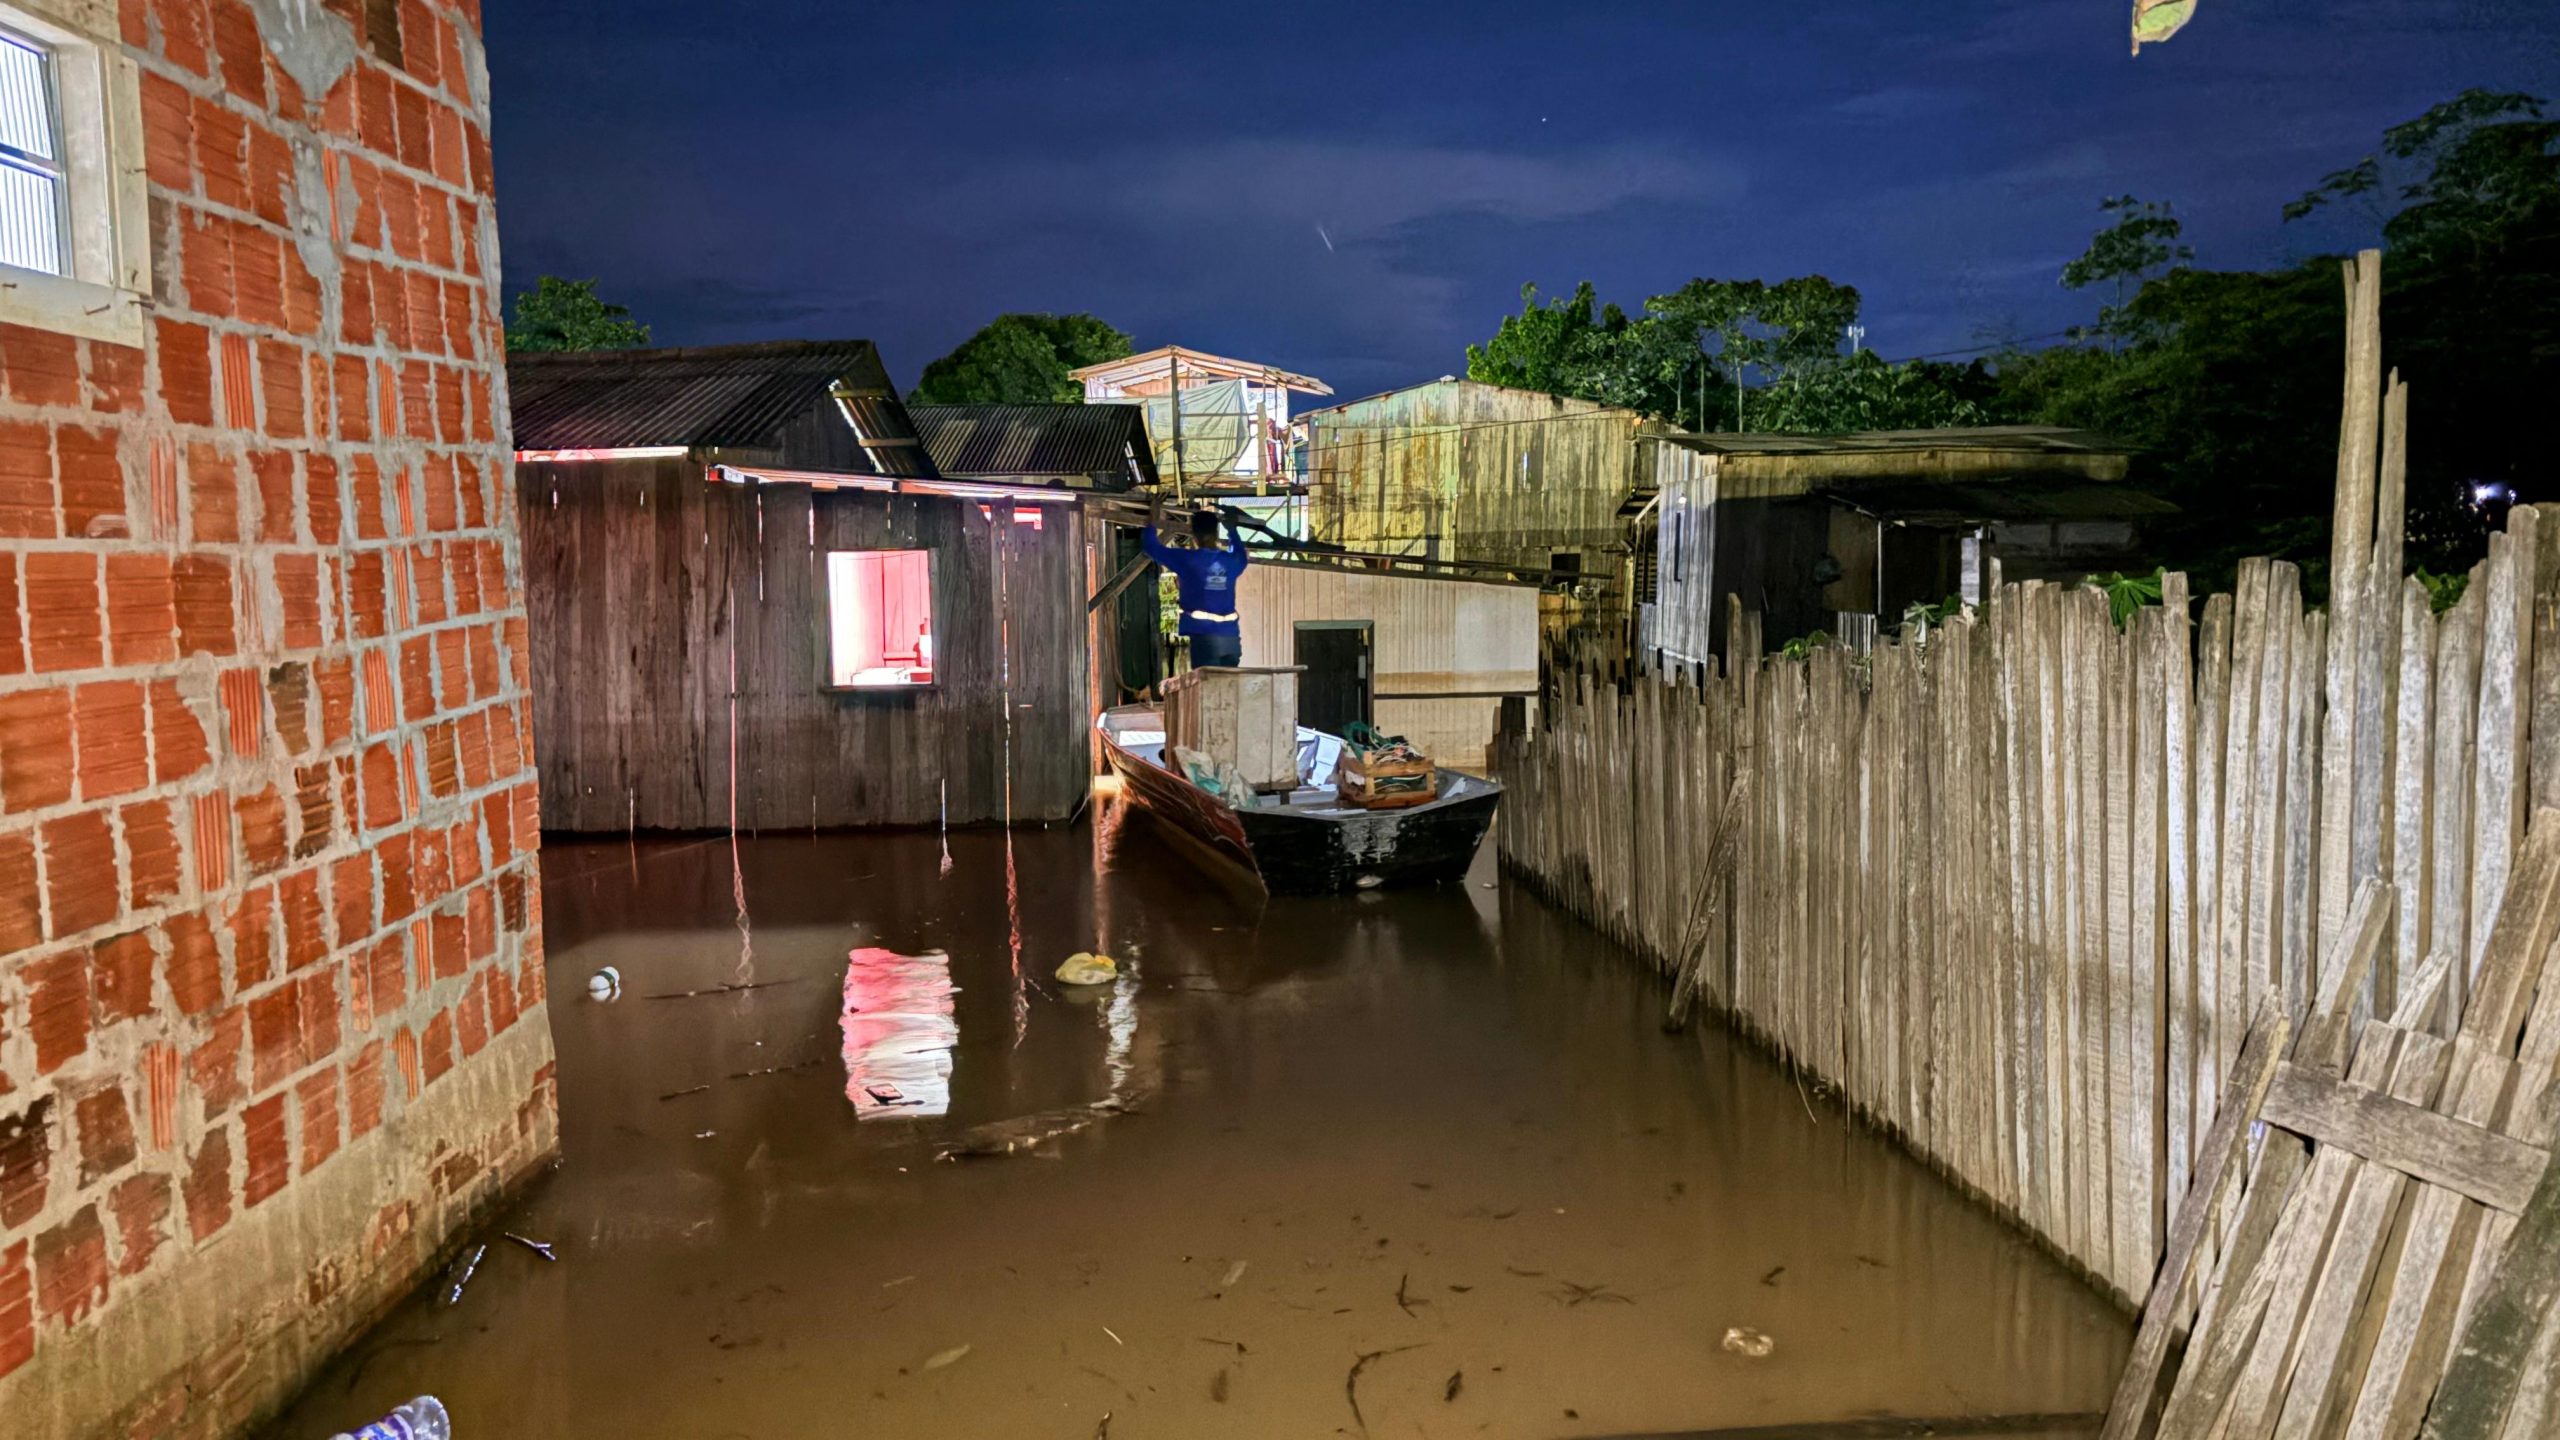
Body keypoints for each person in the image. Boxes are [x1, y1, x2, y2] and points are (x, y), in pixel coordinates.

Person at [1142, 501, 1250, 669]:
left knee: (1208, 690)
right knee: (1228, 689)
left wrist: (1153, 521)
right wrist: (1232, 530)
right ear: (1215, 532)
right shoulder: (1231, 561)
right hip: (1231, 639)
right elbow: (1241, 555)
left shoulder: (1188, 560)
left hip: (1204, 637)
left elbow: (1151, 547)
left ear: (1194, 535)